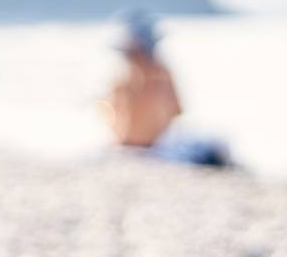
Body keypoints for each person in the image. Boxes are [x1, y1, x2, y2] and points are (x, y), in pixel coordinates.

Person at [98, 10, 232, 167]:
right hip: (149, 148)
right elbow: (177, 110)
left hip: (132, 146)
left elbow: (108, 113)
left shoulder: (125, 78)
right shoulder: (158, 75)